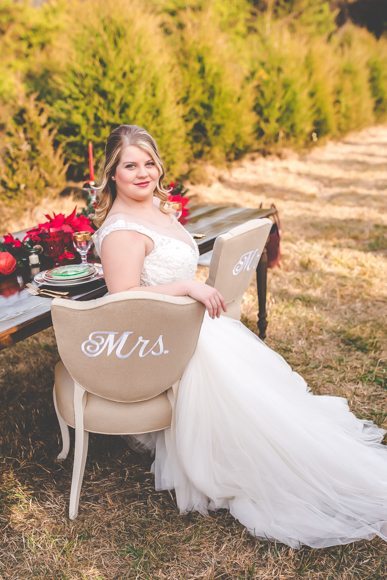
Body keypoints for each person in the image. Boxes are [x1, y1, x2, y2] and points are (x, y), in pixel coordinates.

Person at [93, 124, 387, 549]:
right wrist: (187, 286)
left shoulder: (156, 211)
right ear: (112, 173)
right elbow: (123, 295)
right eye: (130, 165)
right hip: (162, 339)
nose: (143, 173)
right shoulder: (121, 230)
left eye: (149, 163)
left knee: (272, 411)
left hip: (190, 325)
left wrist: (185, 286)